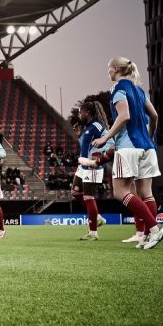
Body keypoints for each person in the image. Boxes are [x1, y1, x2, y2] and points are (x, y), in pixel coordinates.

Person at [93, 56, 163, 250]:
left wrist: (104, 138)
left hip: (128, 147)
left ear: (116, 69)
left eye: (109, 68)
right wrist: (150, 137)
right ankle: (147, 236)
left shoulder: (118, 89)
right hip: (147, 148)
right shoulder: (140, 90)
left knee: (120, 192)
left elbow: (124, 116)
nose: (108, 72)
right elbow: (154, 116)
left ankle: (155, 229)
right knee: (146, 193)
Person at [73, 99, 112, 241]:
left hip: (92, 166)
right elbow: (87, 146)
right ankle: (98, 218)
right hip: (83, 165)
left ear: (87, 112)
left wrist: (100, 155)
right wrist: (79, 136)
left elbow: (110, 142)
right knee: (76, 193)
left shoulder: (97, 126)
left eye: (80, 112)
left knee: (88, 197)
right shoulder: (87, 127)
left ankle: (93, 233)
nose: (79, 115)